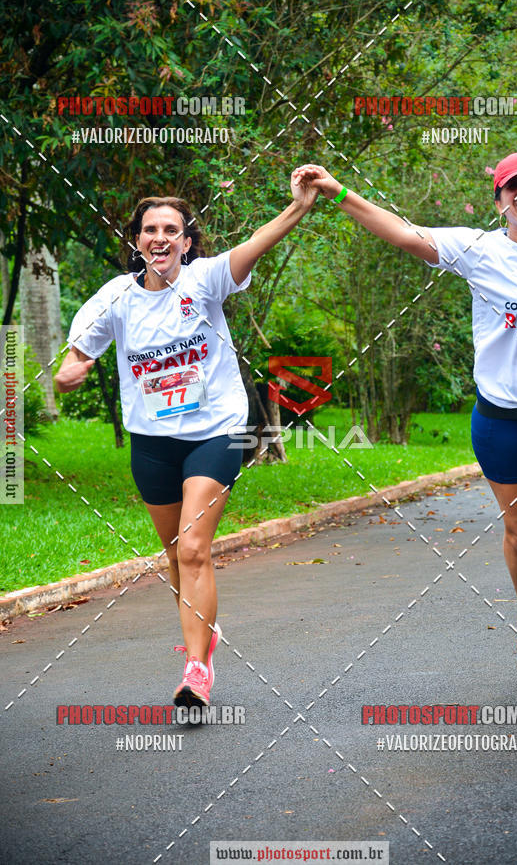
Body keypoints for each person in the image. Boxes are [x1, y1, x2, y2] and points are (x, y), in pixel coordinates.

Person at [295, 152, 517, 700]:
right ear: (500, 201)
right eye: (514, 187)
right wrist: (340, 194)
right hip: (502, 418)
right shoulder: (479, 250)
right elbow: (405, 234)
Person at [55, 170, 318, 708]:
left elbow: (257, 242)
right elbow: (78, 351)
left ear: (187, 241)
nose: (160, 238)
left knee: (195, 547)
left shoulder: (206, 281)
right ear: (137, 241)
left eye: (171, 229)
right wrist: (71, 369)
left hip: (216, 431)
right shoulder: (116, 298)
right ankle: (204, 632)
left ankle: (196, 668)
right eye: (150, 229)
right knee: (175, 553)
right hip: (152, 440)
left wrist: (298, 207)